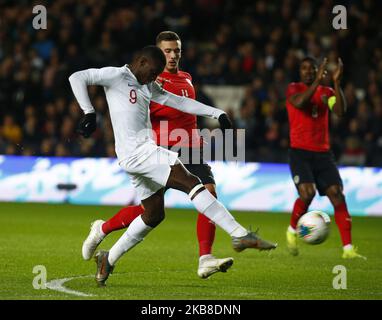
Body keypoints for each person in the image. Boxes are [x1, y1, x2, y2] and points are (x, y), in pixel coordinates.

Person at [68, 45, 277, 287]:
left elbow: (177, 101)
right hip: (139, 152)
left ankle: (108, 258)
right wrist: (89, 112)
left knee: (154, 214)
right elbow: (77, 77)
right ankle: (239, 234)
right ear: (142, 62)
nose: (154, 78)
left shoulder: (148, 85)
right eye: (153, 72)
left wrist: (216, 113)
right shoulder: (116, 75)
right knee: (190, 181)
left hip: (137, 155)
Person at [81, 31, 234, 279]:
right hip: (160, 149)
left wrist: (214, 115)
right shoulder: (146, 80)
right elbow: (132, 111)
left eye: (177, 51)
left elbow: (187, 109)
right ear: (156, 54)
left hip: (190, 148)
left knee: (209, 192)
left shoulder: (186, 78)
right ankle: (103, 229)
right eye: (167, 51)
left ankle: (205, 258)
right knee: (150, 211)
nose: (173, 56)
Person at [285, 56, 365, 259]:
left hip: (323, 154)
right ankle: (292, 231)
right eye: (305, 69)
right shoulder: (293, 89)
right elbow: (301, 103)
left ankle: (348, 249)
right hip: (300, 153)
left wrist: (337, 83)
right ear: (300, 72)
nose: (309, 72)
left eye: (312, 69)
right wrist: (318, 82)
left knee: (337, 195)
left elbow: (340, 111)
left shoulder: (327, 92)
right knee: (307, 193)